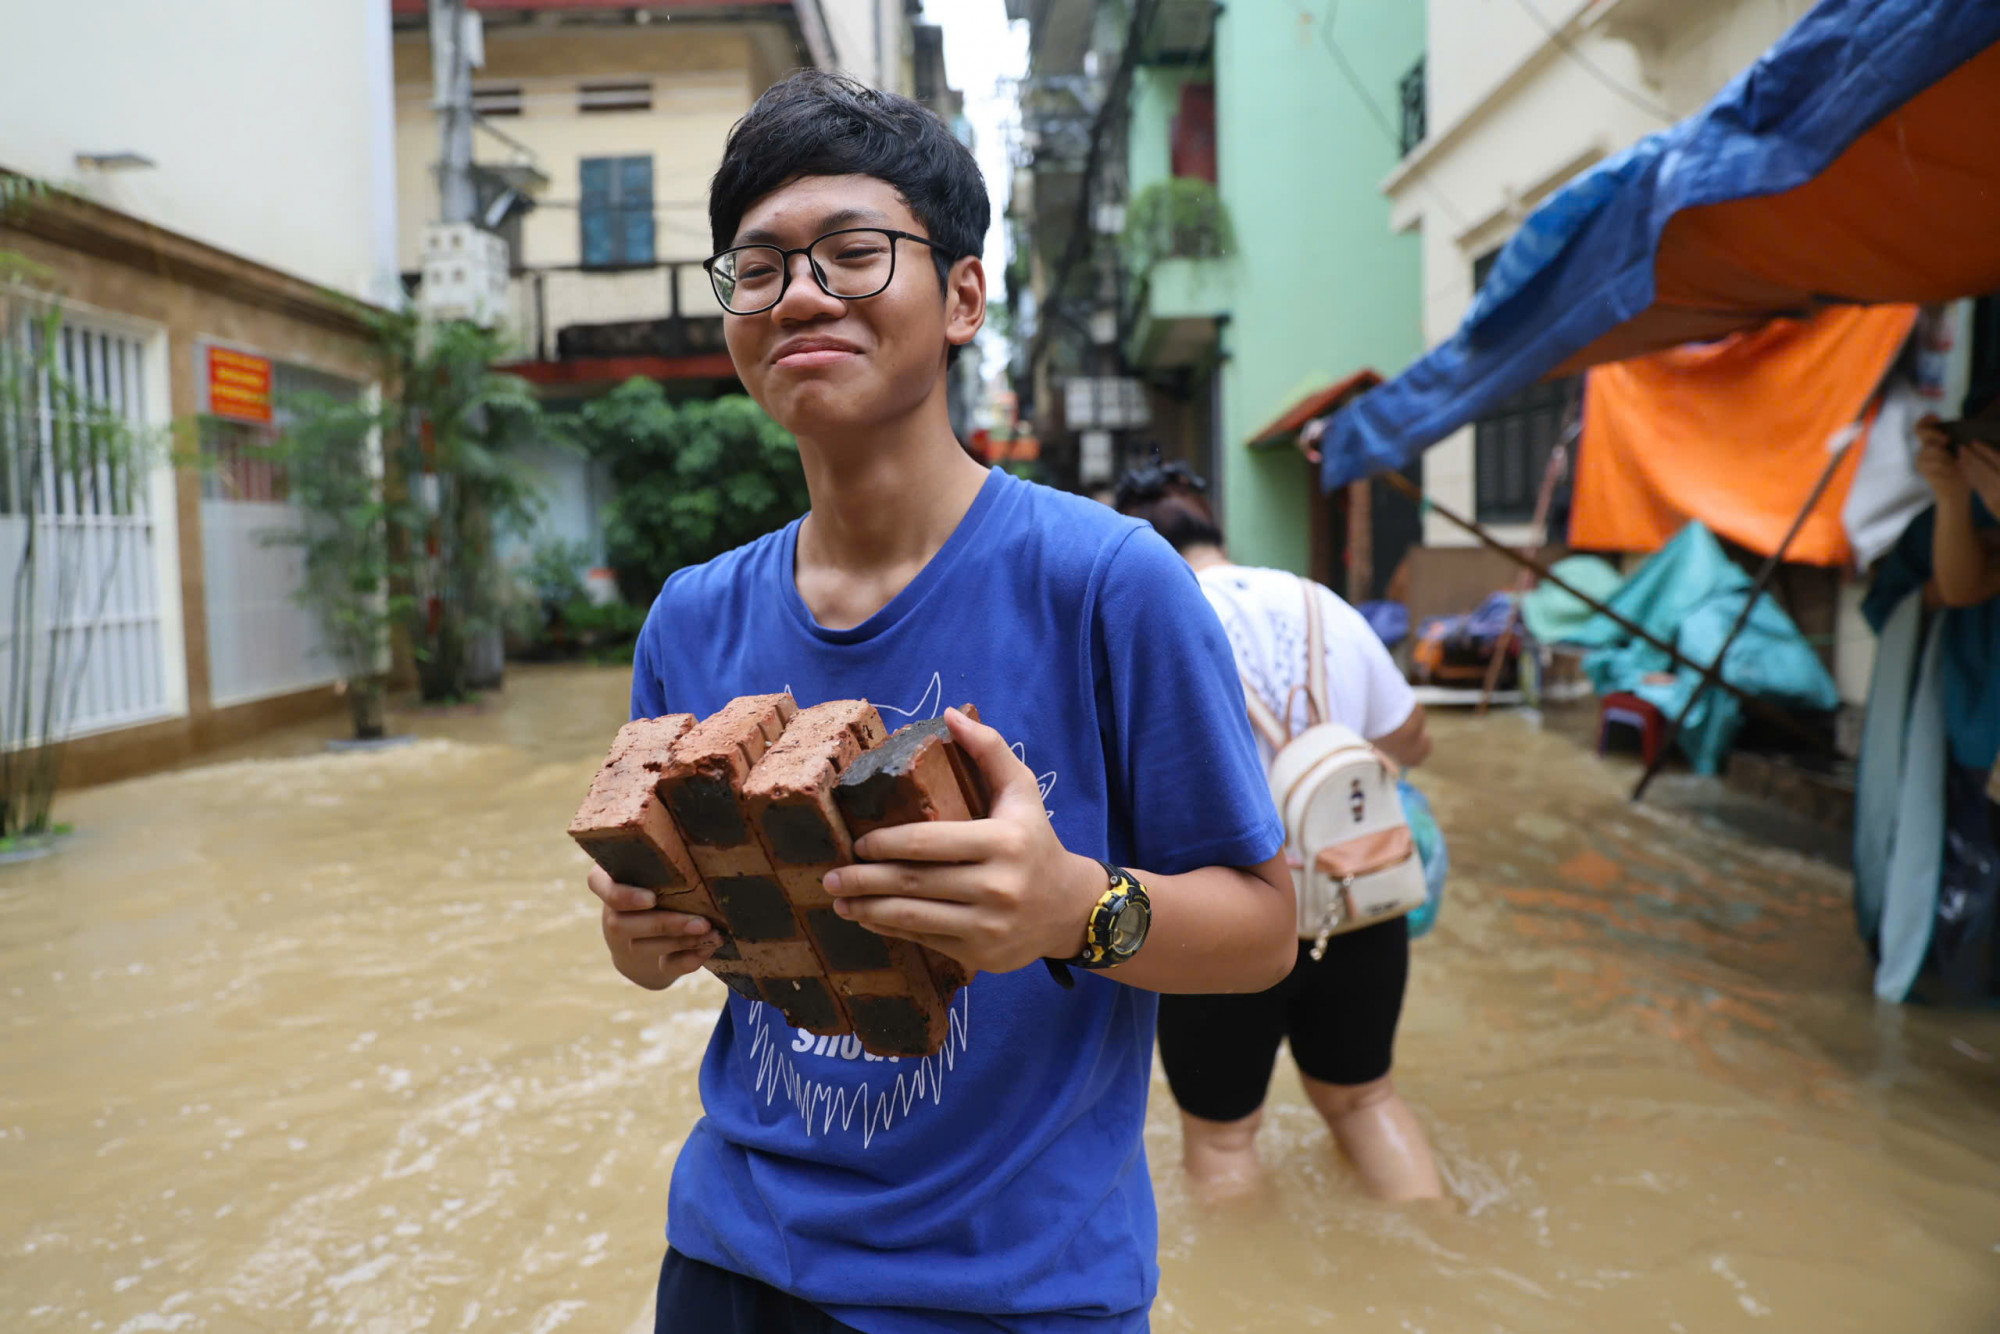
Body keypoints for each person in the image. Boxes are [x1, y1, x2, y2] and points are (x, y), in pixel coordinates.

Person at [585, 72, 1293, 1334]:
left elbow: (1260, 935)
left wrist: (1081, 906)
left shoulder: (1105, 583)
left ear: (963, 295)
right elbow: (691, 939)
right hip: (729, 1263)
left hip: (1012, 1291)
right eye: (756, 268)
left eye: (854, 254)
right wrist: (643, 943)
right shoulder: (691, 616)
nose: (799, 292)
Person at [1114, 461, 1443, 1203]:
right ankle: (1439, 1244)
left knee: (1224, 1139)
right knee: (1365, 1101)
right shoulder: (1321, 604)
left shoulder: (1148, 613)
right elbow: (1412, 738)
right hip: (1355, 897)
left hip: (1220, 919)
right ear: (1212, 526)